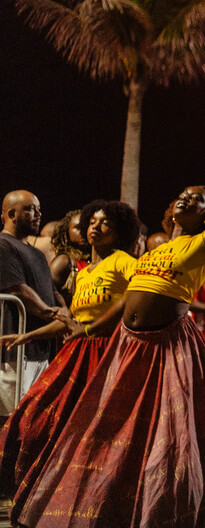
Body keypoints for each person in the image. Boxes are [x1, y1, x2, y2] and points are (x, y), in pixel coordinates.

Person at [15, 146, 205, 528]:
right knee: (109, 431)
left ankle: (169, 515)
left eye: (198, 199)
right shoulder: (156, 249)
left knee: (172, 442)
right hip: (128, 346)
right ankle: (107, 509)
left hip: (168, 348)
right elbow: (127, 301)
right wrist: (88, 328)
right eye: (184, 195)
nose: (186, 199)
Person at [0, 200, 139, 512]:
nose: (95, 227)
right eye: (93, 221)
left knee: (100, 431)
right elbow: (74, 322)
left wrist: (97, 328)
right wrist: (28, 335)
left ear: (119, 233)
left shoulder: (122, 261)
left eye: (106, 223)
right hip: (80, 353)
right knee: (36, 417)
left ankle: (102, 500)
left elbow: (138, 292)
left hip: (108, 354)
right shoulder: (87, 272)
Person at [0, 191, 71, 417]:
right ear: (12, 214)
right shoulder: (3, 246)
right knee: (10, 418)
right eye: (31, 209)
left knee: (32, 420)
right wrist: (52, 315)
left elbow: (53, 292)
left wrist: (64, 313)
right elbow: (18, 289)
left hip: (40, 351)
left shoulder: (37, 254)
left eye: (38, 209)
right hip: (15, 352)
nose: (38, 214)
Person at [47, 209, 91, 302]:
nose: (83, 231)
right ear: (67, 232)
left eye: (86, 227)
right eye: (78, 227)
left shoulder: (92, 260)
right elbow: (48, 292)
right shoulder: (64, 260)